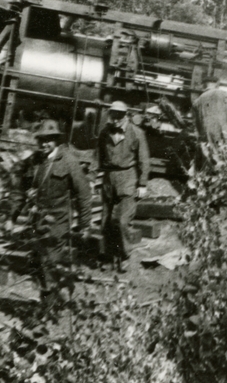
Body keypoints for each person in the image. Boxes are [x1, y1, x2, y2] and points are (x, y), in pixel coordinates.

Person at [13, 120, 94, 307]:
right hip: (37, 221)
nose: (44, 144)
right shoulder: (33, 161)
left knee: (49, 261)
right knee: (37, 263)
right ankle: (50, 298)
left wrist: (84, 225)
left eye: (48, 140)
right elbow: (19, 190)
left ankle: (48, 307)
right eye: (41, 140)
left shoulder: (69, 162)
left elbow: (84, 194)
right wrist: (12, 217)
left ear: (56, 141)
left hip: (58, 222)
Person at [98, 101, 150, 271]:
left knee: (121, 221)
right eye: (113, 115)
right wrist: (94, 175)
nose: (115, 119)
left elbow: (144, 159)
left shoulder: (136, 133)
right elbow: (97, 155)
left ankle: (124, 256)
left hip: (128, 178)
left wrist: (142, 184)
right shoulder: (105, 132)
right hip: (109, 179)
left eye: (119, 116)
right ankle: (108, 256)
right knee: (106, 221)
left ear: (126, 115)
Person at [193, 74, 227, 165]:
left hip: (207, 135)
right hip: (222, 133)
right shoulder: (223, 94)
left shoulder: (197, 102)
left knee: (212, 162)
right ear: (216, 84)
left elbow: (197, 125)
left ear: (204, 85)